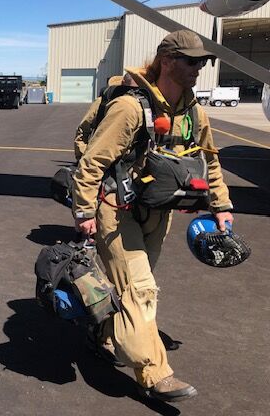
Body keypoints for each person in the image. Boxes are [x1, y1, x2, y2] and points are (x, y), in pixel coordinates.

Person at [71, 30, 234, 403]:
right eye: (190, 61)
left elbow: (210, 160)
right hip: (116, 209)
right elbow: (93, 162)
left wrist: (221, 206)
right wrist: (83, 209)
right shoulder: (130, 108)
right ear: (166, 61)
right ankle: (154, 373)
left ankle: (102, 334)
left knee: (131, 286)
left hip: (159, 211)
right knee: (139, 288)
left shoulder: (194, 111)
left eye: (202, 62)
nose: (198, 69)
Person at [74, 73, 138, 160]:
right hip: (108, 158)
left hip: (125, 161)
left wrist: (82, 155)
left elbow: (83, 129)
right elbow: (84, 128)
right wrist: (83, 155)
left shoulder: (140, 105)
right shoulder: (103, 102)